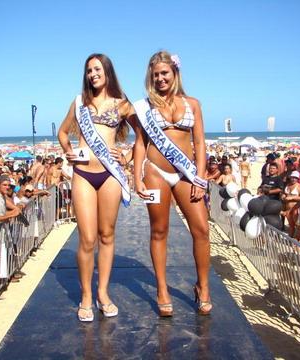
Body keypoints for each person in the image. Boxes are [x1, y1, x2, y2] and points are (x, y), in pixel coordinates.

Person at [58, 53, 141, 322]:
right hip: (82, 174)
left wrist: (127, 157)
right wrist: (68, 151)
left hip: (110, 175)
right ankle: (85, 295)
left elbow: (145, 135)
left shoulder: (122, 104)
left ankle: (102, 293)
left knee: (107, 235)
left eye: (97, 69)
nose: (92, 74)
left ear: (107, 71)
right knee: (87, 239)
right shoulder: (79, 102)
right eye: (88, 70)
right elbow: (62, 132)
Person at [134, 51, 211, 316]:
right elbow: (141, 143)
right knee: (159, 230)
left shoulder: (193, 103)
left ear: (174, 73)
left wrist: (199, 178)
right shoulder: (146, 106)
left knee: (201, 229)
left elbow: (200, 143)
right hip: (155, 173)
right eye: (155, 75)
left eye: (164, 73)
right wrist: (137, 178)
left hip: (186, 174)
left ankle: (203, 287)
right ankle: (162, 289)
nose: (160, 78)